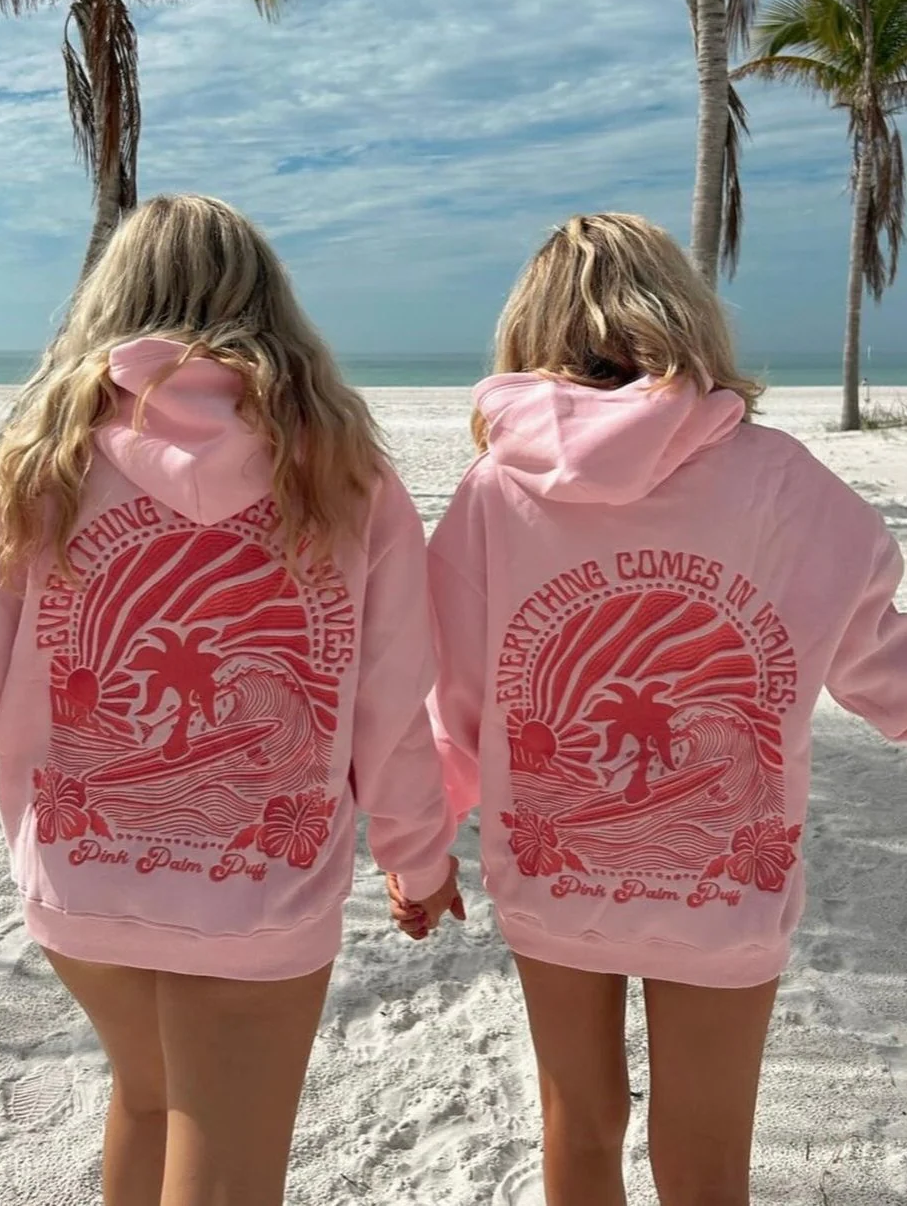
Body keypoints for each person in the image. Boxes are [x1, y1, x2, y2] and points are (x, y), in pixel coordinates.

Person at [0, 195, 462, 1206]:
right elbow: (392, 709)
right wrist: (418, 859)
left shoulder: (34, 468)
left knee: (149, 1098)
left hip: (83, 891)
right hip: (263, 901)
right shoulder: (349, 480)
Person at [389, 213, 907, 1206]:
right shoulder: (781, 480)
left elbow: (453, 701)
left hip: (554, 880)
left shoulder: (496, 490)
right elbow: (880, 660)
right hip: (727, 895)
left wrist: (422, 849)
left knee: (578, 1127)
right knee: (705, 1158)